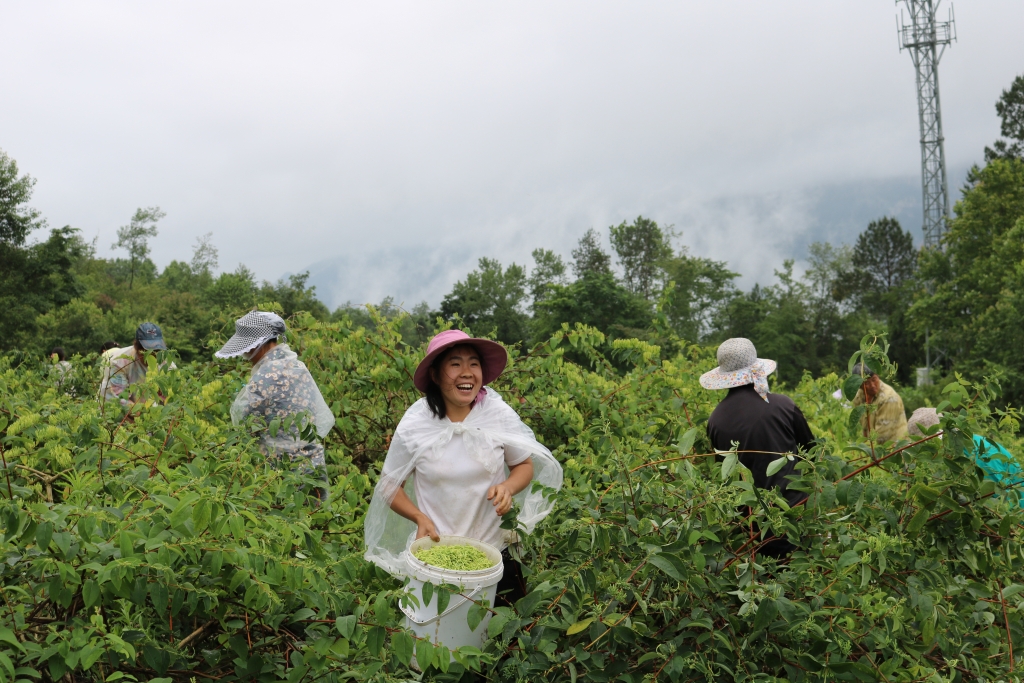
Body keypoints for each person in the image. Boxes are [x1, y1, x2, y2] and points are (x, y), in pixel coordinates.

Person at [364, 329, 563, 605]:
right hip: (436, 550)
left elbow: (523, 466)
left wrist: (507, 487)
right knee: (438, 638)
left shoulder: (497, 413)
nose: (466, 372)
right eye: (455, 364)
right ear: (435, 375)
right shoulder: (416, 422)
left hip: (497, 550)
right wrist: (419, 518)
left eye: (473, 363)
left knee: (505, 635)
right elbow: (389, 484)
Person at [700, 338, 815, 558]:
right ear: (756, 370)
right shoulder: (783, 405)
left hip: (749, 525)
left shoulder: (715, 419)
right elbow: (811, 452)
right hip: (794, 514)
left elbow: (724, 475)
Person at [215, 311, 334, 502]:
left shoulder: (266, 376)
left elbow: (243, 421)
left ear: (259, 344)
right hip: (313, 466)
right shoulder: (298, 366)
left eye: (247, 347)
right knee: (314, 523)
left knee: (284, 524)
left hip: (282, 473)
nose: (245, 353)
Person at [99, 323, 175, 406]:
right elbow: (118, 398)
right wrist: (140, 412)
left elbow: (171, 399)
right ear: (137, 347)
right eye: (147, 351)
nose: (153, 354)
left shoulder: (167, 366)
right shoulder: (119, 362)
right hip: (115, 411)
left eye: (156, 350)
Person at [850, 363, 908, 443]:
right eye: (866, 383)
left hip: (894, 449)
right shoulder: (858, 398)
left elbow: (883, 437)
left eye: (874, 380)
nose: (872, 385)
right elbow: (863, 428)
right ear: (859, 385)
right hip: (873, 448)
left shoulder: (889, 398)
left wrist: (865, 450)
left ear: (878, 376)